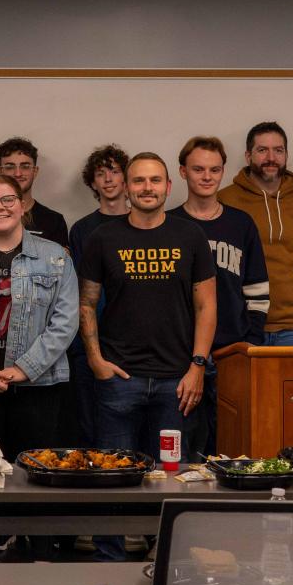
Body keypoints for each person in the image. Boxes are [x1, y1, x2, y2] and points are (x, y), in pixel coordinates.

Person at [78, 152, 217, 463]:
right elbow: (86, 303)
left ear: (168, 186)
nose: (147, 187)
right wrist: (96, 361)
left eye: (155, 180)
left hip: (177, 382)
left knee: (171, 476)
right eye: (138, 180)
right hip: (119, 379)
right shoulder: (102, 237)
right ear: (127, 187)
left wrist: (197, 366)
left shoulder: (191, 236)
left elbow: (206, 306)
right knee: (113, 474)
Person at [0, 174, 78, 461]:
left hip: (40, 388)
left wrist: (25, 368)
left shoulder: (56, 257)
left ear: (22, 206)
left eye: (8, 199)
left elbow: (66, 321)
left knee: (34, 478)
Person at [171, 136, 269, 454]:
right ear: (183, 172)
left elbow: (257, 289)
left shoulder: (240, 224)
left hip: (232, 350)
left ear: (223, 172)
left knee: (229, 442)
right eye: (198, 169)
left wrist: (250, 342)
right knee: (184, 444)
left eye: (214, 169)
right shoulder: (169, 224)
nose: (207, 176)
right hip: (182, 354)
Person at [217, 122, 293, 345]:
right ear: (248, 156)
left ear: (286, 154)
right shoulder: (224, 201)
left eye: (278, 150)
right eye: (262, 150)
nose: (271, 157)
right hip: (239, 324)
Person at [67, 145, 129, 446]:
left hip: (133, 342)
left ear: (127, 177)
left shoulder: (145, 223)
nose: (108, 179)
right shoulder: (82, 230)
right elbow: (78, 290)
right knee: (90, 425)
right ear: (92, 182)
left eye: (114, 171)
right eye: (100, 174)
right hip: (89, 340)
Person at [0, 137, 69, 248]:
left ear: (35, 171)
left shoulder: (54, 220)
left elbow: (59, 262)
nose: (18, 173)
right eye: (10, 167)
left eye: (25, 166)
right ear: (0, 171)